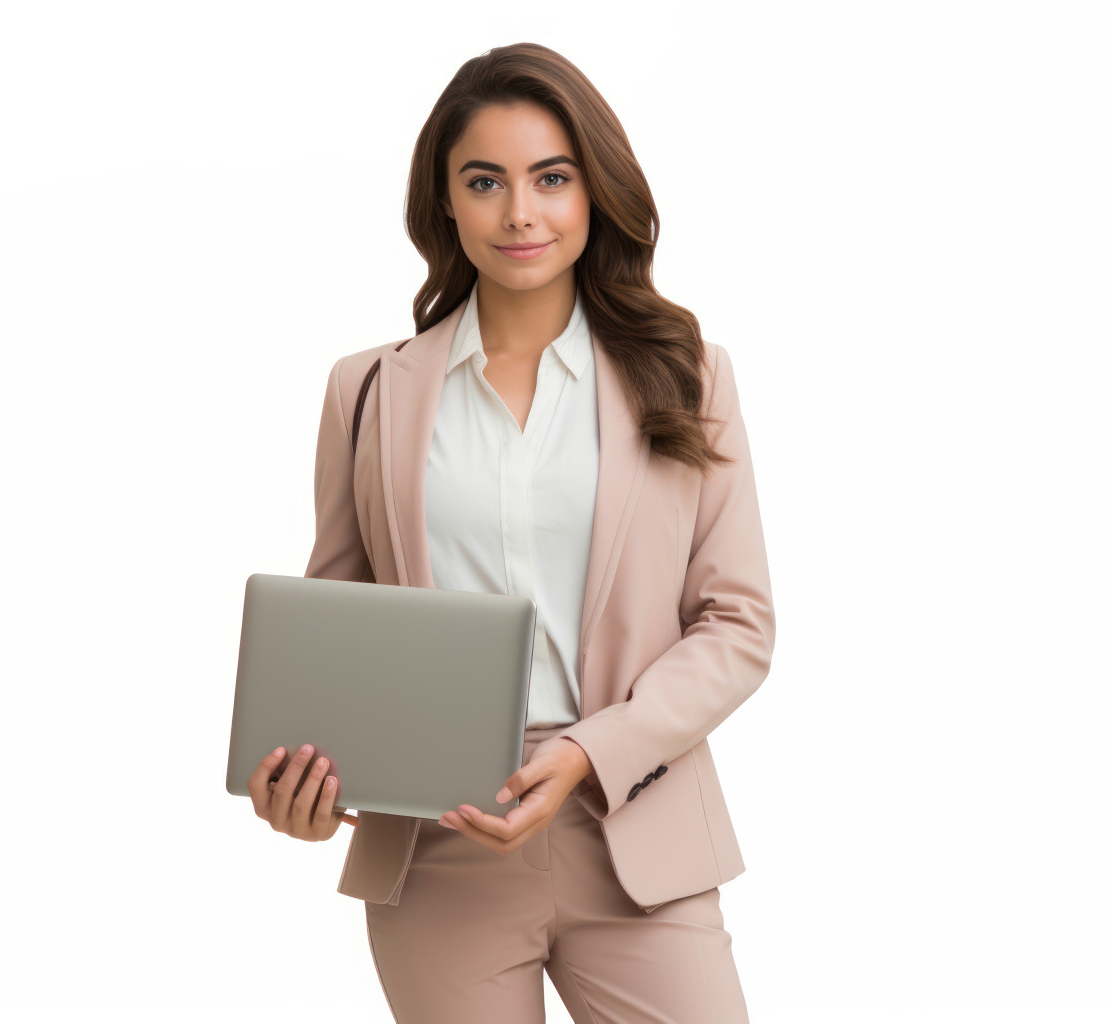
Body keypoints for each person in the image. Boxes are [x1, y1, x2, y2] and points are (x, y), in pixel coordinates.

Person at [247, 41, 776, 1024]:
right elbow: (336, 635)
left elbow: (737, 623)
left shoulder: (687, 374)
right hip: (436, 846)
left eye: (550, 177)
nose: (519, 212)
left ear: (593, 190)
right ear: (444, 200)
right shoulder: (364, 391)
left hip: (635, 832)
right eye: (483, 180)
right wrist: (309, 782)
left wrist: (589, 750)